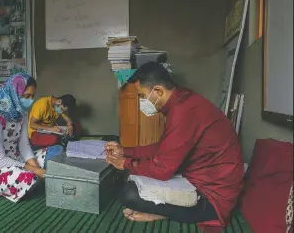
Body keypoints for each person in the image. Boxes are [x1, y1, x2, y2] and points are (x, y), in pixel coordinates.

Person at [104, 62, 244, 232]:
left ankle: (172, 212)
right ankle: (166, 209)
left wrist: (124, 163)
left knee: (129, 195)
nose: (141, 101)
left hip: (213, 195)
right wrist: (126, 151)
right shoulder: (183, 99)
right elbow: (165, 147)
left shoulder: (183, 111)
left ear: (158, 92)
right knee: (133, 175)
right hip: (198, 176)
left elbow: (162, 169)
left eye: (142, 96)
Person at [0, 73, 61, 202]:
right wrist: (36, 170)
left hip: (17, 159)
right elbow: (0, 160)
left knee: (57, 151)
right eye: (26, 96)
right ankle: (29, 180)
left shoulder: (21, 115)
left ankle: (34, 177)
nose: (30, 100)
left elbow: (24, 146)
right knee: (29, 178)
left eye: (32, 96)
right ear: (13, 93)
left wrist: (36, 167)